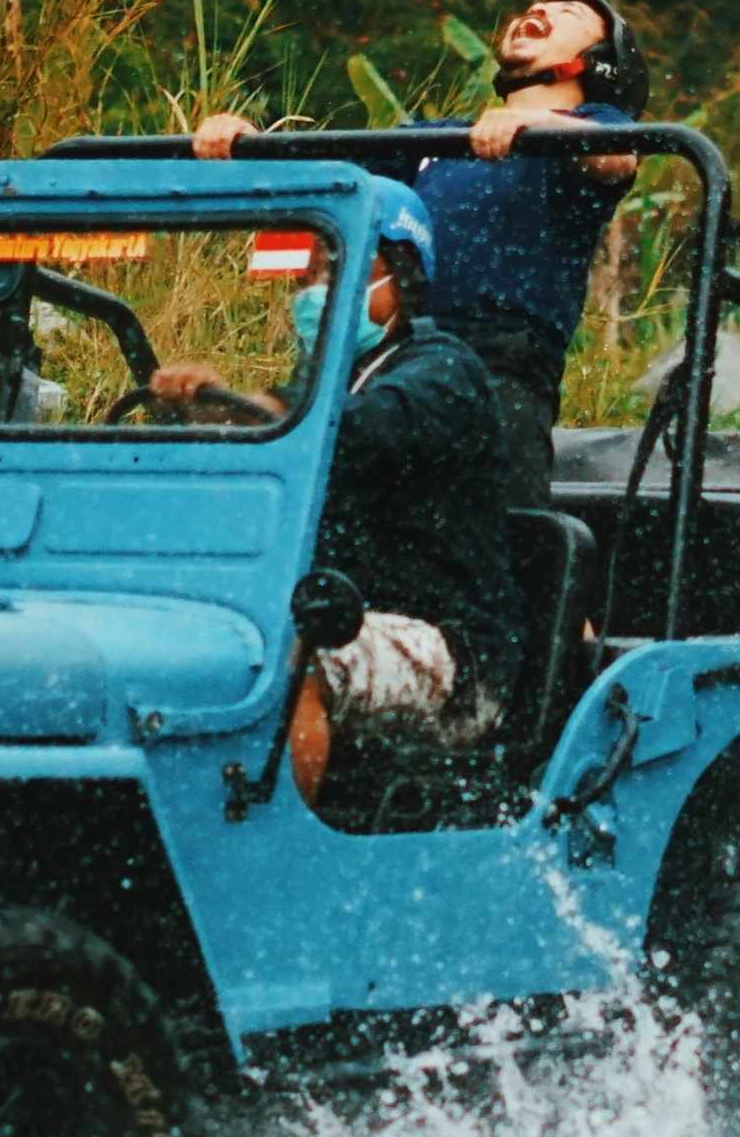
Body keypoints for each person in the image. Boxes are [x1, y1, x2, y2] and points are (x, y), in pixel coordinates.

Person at [193, 0, 648, 508]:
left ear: (598, 64)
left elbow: (618, 159)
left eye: (566, 14)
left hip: (499, 373)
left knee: (488, 532)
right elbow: (329, 179)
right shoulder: (439, 140)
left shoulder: (598, 131)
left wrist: (536, 125)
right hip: (394, 355)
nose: (538, 11)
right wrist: (248, 144)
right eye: (533, 7)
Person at [152, 182, 522, 756]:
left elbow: (354, 431)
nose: (315, 290)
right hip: (332, 611)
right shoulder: (319, 385)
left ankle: (264, 839)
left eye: (337, 270)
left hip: (447, 648)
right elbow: (269, 427)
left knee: (288, 658)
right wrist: (192, 410)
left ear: (399, 277)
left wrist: (235, 406)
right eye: (306, 278)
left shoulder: (444, 371)